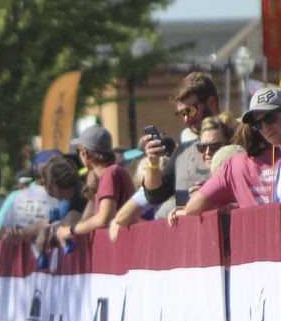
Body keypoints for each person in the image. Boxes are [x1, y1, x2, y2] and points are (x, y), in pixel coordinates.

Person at [170, 87, 281, 222]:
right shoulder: (234, 165)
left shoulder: (234, 164)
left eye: (270, 118)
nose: (265, 127)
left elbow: (190, 210)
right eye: (257, 124)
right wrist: (217, 204)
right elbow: (192, 209)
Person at [138, 72, 219, 217]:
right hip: (190, 238)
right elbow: (154, 195)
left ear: (211, 103)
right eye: (182, 113)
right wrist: (153, 163)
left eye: (190, 111)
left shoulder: (238, 142)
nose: (186, 119)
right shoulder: (182, 152)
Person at [54, 124, 133, 242]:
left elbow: (103, 219)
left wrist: (71, 230)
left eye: (78, 151)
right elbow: (96, 215)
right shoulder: (110, 173)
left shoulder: (110, 173)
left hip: (124, 245)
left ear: (85, 153)